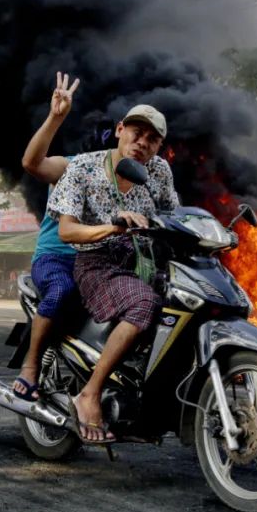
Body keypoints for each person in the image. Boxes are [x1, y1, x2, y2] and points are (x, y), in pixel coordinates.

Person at [48, 104, 179, 443]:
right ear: (121, 129)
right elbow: (67, 232)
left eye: (153, 139)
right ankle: (90, 393)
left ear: (159, 147)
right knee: (143, 303)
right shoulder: (84, 168)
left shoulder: (160, 171)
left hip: (145, 260)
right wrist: (112, 227)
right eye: (138, 132)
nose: (143, 142)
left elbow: (173, 214)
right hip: (97, 261)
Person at [11, 72, 82, 403]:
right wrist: (55, 118)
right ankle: (31, 366)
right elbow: (32, 163)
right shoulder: (73, 167)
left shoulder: (134, 181)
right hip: (57, 259)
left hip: (99, 263)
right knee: (62, 289)